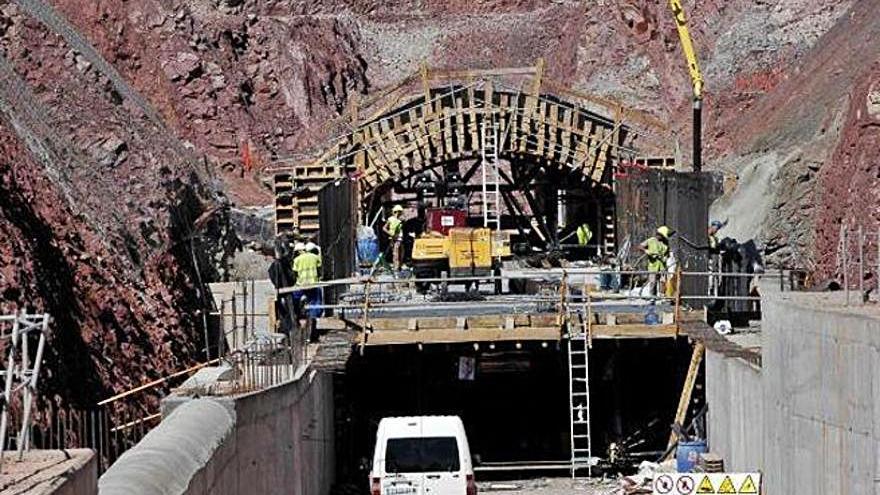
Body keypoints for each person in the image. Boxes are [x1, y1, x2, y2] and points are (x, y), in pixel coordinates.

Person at [291, 241, 322, 331]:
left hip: (301, 284)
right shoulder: (315, 257)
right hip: (313, 283)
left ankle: (296, 314)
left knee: (295, 298)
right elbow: (319, 269)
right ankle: (313, 319)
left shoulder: (296, 260)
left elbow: (294, 273)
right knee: (315, 301)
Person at [640, 226, 674, 296]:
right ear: (659, 234)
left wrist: (666, 257)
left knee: (662, 281)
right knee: (653, 282)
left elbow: (667, 253)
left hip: (662, 266)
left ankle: (662, 295)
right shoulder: (651, 240)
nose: (662, 238)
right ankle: (653, 296)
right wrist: (646, 251)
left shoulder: (665, 242)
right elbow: (640, 246)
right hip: (653, 266)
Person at [383, 205, 405, 273]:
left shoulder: (400, 220)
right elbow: (384, 228)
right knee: (396, 254)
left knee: (401, 254)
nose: (399, 213)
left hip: (400, 239)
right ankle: (396, 269)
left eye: (400, 212)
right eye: (398, 212)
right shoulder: (391, 219)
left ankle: (399, 267)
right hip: (394, 239)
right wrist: (391, 234)